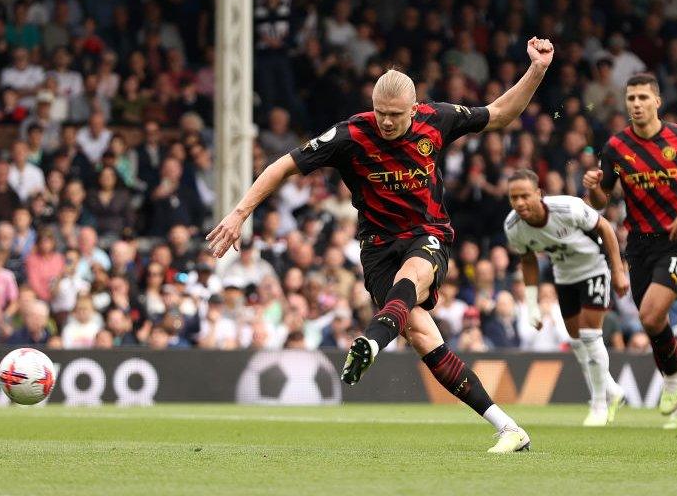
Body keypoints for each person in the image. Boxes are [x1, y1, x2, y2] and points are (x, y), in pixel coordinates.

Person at [208, 36, 556, 453]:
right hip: (376, 248)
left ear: (414, 109)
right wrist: (240, 213)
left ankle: (371, 340)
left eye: (395, 115)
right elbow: (284, 165)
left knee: (412, 277)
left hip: (427, 235)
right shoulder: (350, 135)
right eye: (381, 113)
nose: (387, 122)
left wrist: (536, 70)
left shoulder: (438, 119)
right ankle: (509, 428)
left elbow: (500, 113)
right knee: (425, 339)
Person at [583, 72, 677, 429]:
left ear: (657, 101)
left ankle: (672, 384)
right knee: (651, 319)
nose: (637, 105)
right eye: (631, 99)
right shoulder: (616, 146)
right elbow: (601, 199)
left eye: (643, 98)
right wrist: (594, 188)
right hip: (639, 244)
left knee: (652, 315)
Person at [503, 169, 628, 426]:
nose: (519, 203)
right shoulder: (513, 226)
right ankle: (613, 390)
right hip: (564, 276)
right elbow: (528, 260)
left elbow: (605, 228)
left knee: (591, 335)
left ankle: (599, 404)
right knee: (576, 341)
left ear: (539, 194)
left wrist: (618, 272)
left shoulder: (567, 208)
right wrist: (531, 304)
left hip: (594, 268)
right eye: (513, 198)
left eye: (525, 196)